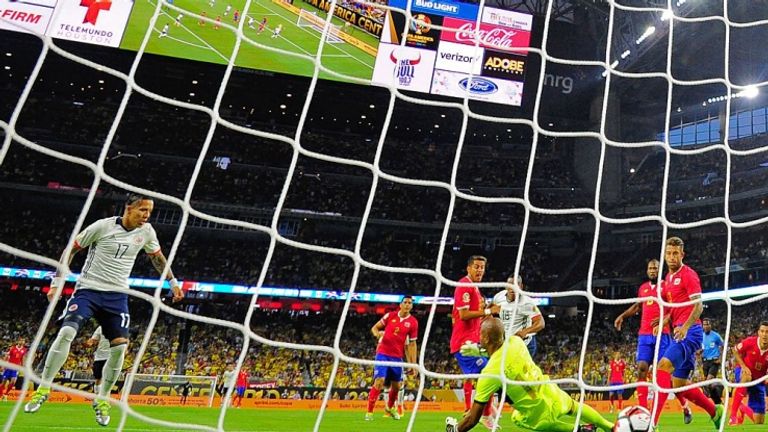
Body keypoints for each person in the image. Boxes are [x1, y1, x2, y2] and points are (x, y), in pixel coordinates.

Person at [24, 194, 184, 427]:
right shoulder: (102, 226)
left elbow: (157, 258)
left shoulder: (147, 232)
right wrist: (57, 283)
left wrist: (173, 282)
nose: (146, 215)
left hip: (117, 296)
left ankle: (103, 399)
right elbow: (71, 250)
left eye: (149, 211)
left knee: (120, 348)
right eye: (142, 210)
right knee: (67, 332)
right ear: (128, 208)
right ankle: (43, 388)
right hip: (88, 290)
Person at [445, 318, 614, 432]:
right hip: (550, 391)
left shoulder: (489, 374)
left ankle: (578, 430)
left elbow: (473, 419)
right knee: (574, 406)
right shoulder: (516, 342)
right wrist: (480, 349)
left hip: (537, 411)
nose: (478, 337)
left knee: (518, 418)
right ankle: (610, 427)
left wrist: (455, 430)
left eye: (480, 334)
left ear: (487, 339)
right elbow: (504, 346)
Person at [650, 237, 723, 429]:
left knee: (663, 367)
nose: (672, 257)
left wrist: (684, 327)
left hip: (690, 332)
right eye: (669, 253)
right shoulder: (667, 278)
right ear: (665, 255)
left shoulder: (689, 275)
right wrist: (664, 321)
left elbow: (698, 307)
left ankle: (652, 424)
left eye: (675, 253)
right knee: (679, 384)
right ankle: (715, 411)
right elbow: (675, 308)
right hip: (679, 332)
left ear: (682, 254)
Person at [614, 259, 692, 422]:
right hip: (644, 335)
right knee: (642, 368)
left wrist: (665, 320)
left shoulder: (666, 286)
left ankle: (684, 405)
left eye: (655, 268)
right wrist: (622, 316)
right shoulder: (643, 288)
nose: (652, 271)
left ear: (659, 270)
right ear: (647, 270)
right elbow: (637, 306)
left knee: (662, 375)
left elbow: (674, 308)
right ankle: (643, 410)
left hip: (662, 334)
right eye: (650, 268)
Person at [450, 255, 500, 430]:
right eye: (476, 267)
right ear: (468, 268)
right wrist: (487, 310)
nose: (480, 270)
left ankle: (484, 412)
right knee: (488, 373)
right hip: (464, 344)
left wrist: (488, 313)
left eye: (482, 267)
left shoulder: (475, 288)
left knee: (491, 372)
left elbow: (476, 317)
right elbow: (463, 315)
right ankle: (485, 414)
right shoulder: (464, 285)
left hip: (474, 342)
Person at [365, 296, 418, 421]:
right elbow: (374, 328)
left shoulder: (413, 322)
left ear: (412, 306)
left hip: (397, 357)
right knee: (379, 381)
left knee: (397, 386)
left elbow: (412, 344)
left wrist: (413, 364)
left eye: (410, 303)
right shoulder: (390, 316)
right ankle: (369, 412)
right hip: (382, 353)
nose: (407, 305)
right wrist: (377, 334)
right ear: (400, 304)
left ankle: (389, 408)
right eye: (405, 302)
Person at [492, 274, 544, 357]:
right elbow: (490, 309)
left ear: (521, 286)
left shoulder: (527, 303)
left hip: (525, 344)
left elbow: (541, 323)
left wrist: (524, 332)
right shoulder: (498, 297)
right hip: (507, 342)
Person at [729, 321, 768, 426]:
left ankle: (742, 407)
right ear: (758, 332)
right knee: (747, 376)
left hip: (759, 380)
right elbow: (735, 350)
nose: (765, 334)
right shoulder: (750, 342)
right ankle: (732, 416)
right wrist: (743, 366)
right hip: (744, 372)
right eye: (762, 331)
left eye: (767, 332)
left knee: (759, 422)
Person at [84, 326, 110, 410]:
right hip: (99, 356)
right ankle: (97, 397)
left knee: (107, 379)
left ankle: (103, 399)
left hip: (111, 356)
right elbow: (94, 340)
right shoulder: (100, 327)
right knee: (98, 378)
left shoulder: (118, 324)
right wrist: (89, 343)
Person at [700, 318, 724, 394]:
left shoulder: (716, 336)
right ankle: (715, 394)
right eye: (704, 324)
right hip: (705, 361)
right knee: (708, 382)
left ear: (710, 325)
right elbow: (700, 349)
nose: (706, 326)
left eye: (707, 324)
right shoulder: (701, 336)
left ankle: (707, 397)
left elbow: (723, 345)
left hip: (714, 361)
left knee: (708, 380)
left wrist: (720, 358)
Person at [0, 337, 27, 401]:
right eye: (21, 340)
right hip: (8, 367)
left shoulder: (24, 350)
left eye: (23, 341)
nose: (22, 342)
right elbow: (7, 356)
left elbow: (22, 358)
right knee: (3, 382)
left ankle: (5, 395)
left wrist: (23, 367)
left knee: (13, 382)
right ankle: (1, 395)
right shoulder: (12, 348)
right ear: (18, 341)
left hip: (15, 368)